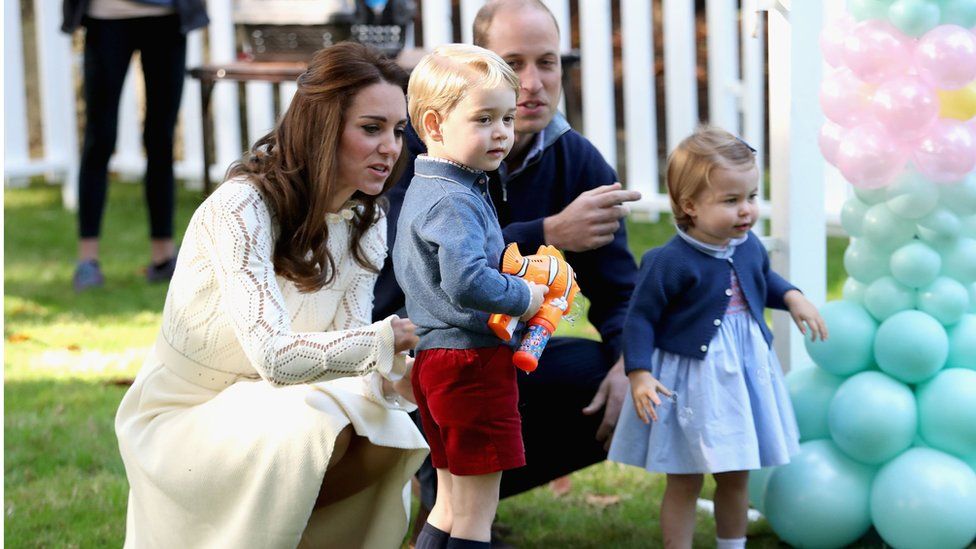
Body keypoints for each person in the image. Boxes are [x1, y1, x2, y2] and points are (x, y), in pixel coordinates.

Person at [114, 43, 429, 548]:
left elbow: (348, 358)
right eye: (371, 128)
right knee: (316, 424)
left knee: (387, 430)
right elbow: (274, 358)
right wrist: (380, 341)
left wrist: (398, 384)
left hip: (272, 404)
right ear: (324, 127)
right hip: (184, 415)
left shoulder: (365, 222)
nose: (391, 147)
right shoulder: (242, 207)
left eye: (397, 131)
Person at [373, 0, 641, 516]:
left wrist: (632, 363)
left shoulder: (579, 161)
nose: (534, 83)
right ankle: (440, 486)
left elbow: (620, 290)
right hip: (411, 354)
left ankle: (458, 494)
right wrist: (549, 233)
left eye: (548, 62)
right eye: (513, 63)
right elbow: (409, 267)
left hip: (498, 355)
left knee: (610, 373)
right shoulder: (420, 149)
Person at [608, 126, 828, 549]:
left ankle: (732, 544)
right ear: (690, 205)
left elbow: (763, 278)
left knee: (736, 471)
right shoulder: (668, 262)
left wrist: (793, 297)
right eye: (731, 200)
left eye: (751, 196)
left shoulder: (747, 246)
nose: (747, 210)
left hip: (744, 375)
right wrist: (638, 373)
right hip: (693, 381)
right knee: (686, 476)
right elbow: (639, 320)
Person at [394, 44, 548, 549]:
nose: (502, 131)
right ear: (435, 126)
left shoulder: (426, 187)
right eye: (484, 118)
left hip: (434, 361)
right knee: (476, 516)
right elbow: (465, 281)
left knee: (449, 503)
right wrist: (524, 295)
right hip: (472, 364)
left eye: (507, 117)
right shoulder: (457, 200)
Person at [62, 0, 208, 291]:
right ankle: (88, 260)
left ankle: (163, 257)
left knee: (161, 139)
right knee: (99, 139)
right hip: (106, 16)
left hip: (166, 15)